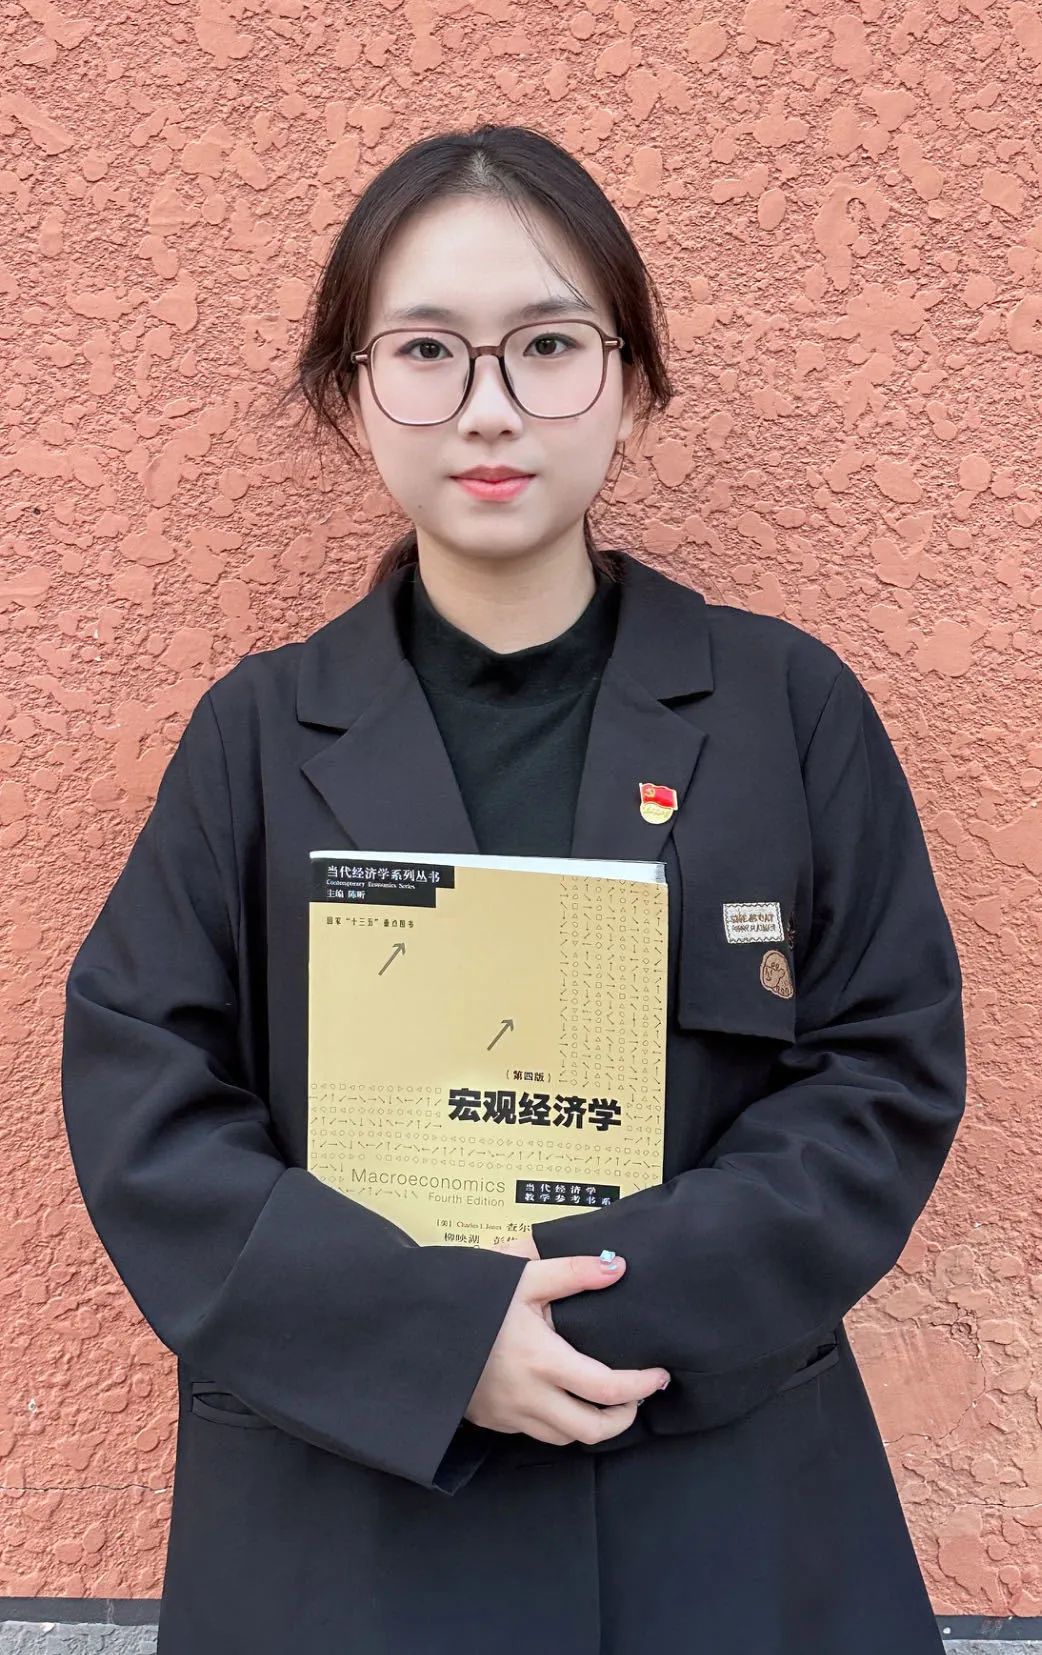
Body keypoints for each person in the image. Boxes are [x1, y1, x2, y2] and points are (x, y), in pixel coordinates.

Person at [60, 123, 966, 1655]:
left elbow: (880, 1069)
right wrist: (435, 1339)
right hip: (350, 1528)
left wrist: (579, 1309)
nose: (489, 407)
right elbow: (143, 1095)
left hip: (714, 1502)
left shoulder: (784, 706)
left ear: (631, 377)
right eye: (426, 350)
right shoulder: (258, 734)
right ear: (354, 390)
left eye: (547, 345)